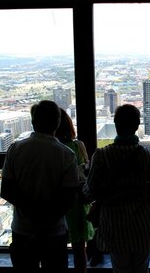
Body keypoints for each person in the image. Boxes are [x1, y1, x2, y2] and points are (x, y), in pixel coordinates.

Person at [84, 104, 150, 273]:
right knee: (142, 269)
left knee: (120, 269)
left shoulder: (101, 156)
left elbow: (90, 191)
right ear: (137, 126)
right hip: (144, 225)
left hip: (115, 225)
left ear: (115, 124)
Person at [0, 100, 79, 271]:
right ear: (57, 123)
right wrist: (45, 220)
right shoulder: (67, 155)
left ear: (33, 122)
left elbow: (6, 190)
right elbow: (67, 198)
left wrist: (32, 212)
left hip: (23, 229)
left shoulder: (15, 149)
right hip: (54, 231)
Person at [55, 108, 95, 273]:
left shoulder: (53, 149)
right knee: (79, 248)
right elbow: (85, 173)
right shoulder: (78, 146)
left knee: (56, 247)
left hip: (56, 201)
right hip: (76, 202)